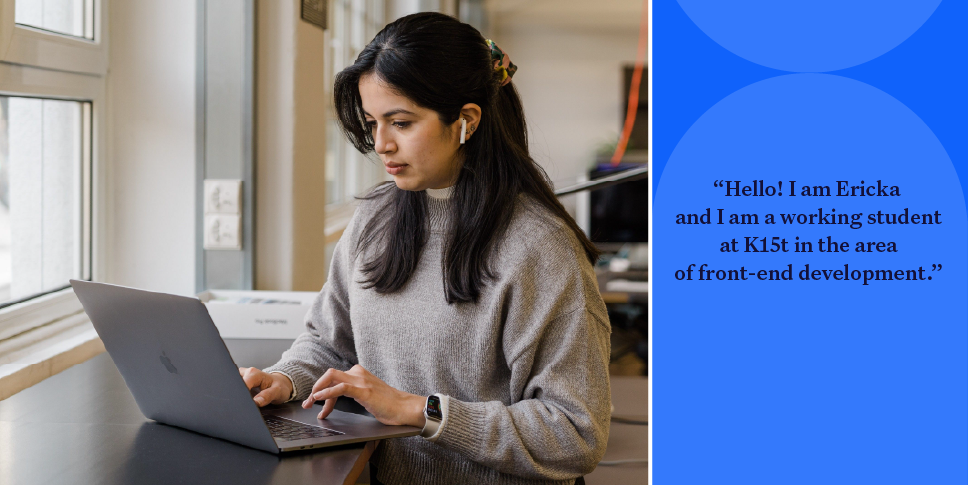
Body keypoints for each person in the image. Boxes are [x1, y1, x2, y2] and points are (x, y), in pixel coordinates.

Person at [238, 11, 611, 485]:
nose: (381, 144)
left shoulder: (539, 247)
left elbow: (576, 434)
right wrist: (286, 378)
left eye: (401, 122)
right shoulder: (375, 218)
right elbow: (329, 342)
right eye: (372, 122)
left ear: (466, 121)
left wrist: (421, 412)